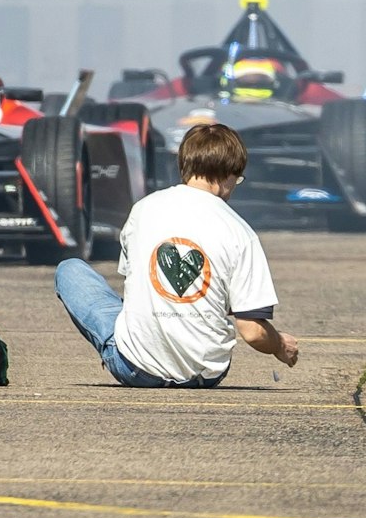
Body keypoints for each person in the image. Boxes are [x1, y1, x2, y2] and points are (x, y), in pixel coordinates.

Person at [54, 124, 298, 388]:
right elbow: (253, 332)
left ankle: (130, 347)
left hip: (136, 369)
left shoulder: (143, 210)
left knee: (70, 270)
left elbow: (136, 281)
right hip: (205, 374)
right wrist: (279, 344)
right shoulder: (241, 232)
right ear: (230, 174)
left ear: (185, 167)